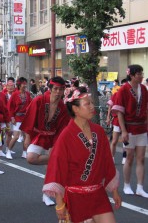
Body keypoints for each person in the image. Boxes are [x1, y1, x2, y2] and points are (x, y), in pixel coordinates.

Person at [43, 87, 121, 223]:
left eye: (91, 103)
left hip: (98, 195)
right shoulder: (66, 136)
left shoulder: (99, 131)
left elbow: (107, 161)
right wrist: (60, 204)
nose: (92, 106)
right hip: (75, 197)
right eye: (87, 104)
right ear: (75, 109)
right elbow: (57, 169)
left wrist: (114, 191)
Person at [20, 76, 70, 206]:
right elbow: (29, 118)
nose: (58, 92)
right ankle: (56, 159)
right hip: (38, 135)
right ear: (50, 89)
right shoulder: (39, 100)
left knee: (50, 170)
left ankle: (46, 195)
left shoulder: (63, 107)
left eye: (61, 89)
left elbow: (62, 128)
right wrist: (27, 137)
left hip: (53, 137)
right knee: (30, 158)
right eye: (56, 89)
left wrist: (57, 145)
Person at [112, 64, 148, 198]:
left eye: (141, 73)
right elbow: (119, 112)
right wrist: (124, 131)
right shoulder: (123, 90)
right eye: (139, 74)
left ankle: (140, 187)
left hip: (142, 128)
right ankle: (127, 185)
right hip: (129, 128)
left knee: (141, 159)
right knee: (129, 158)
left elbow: (147, 108)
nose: (141, 76)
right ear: (132, 75)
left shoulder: (144, 88)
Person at [6, 77, 32, 159]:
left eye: (25, 84)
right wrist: (12, 117)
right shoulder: (15, 94)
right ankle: (8, 151)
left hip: (26, 117)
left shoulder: (27, 94)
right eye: (23, 84)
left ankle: (24, 152)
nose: (25, 85)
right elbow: (10, 107)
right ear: (19, 85)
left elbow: (31, 104)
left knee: (25, 136)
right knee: (16, 136)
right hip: (17, 117)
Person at [106, 78, 127, 164]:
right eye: (123, 85)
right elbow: (110, 106)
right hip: (117, 121)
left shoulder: (132, 95)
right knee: (114, 140)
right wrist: (108, 117)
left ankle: (124, 157)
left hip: (127, 121)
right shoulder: (116, 94)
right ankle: (112, 157)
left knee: (125, 141)